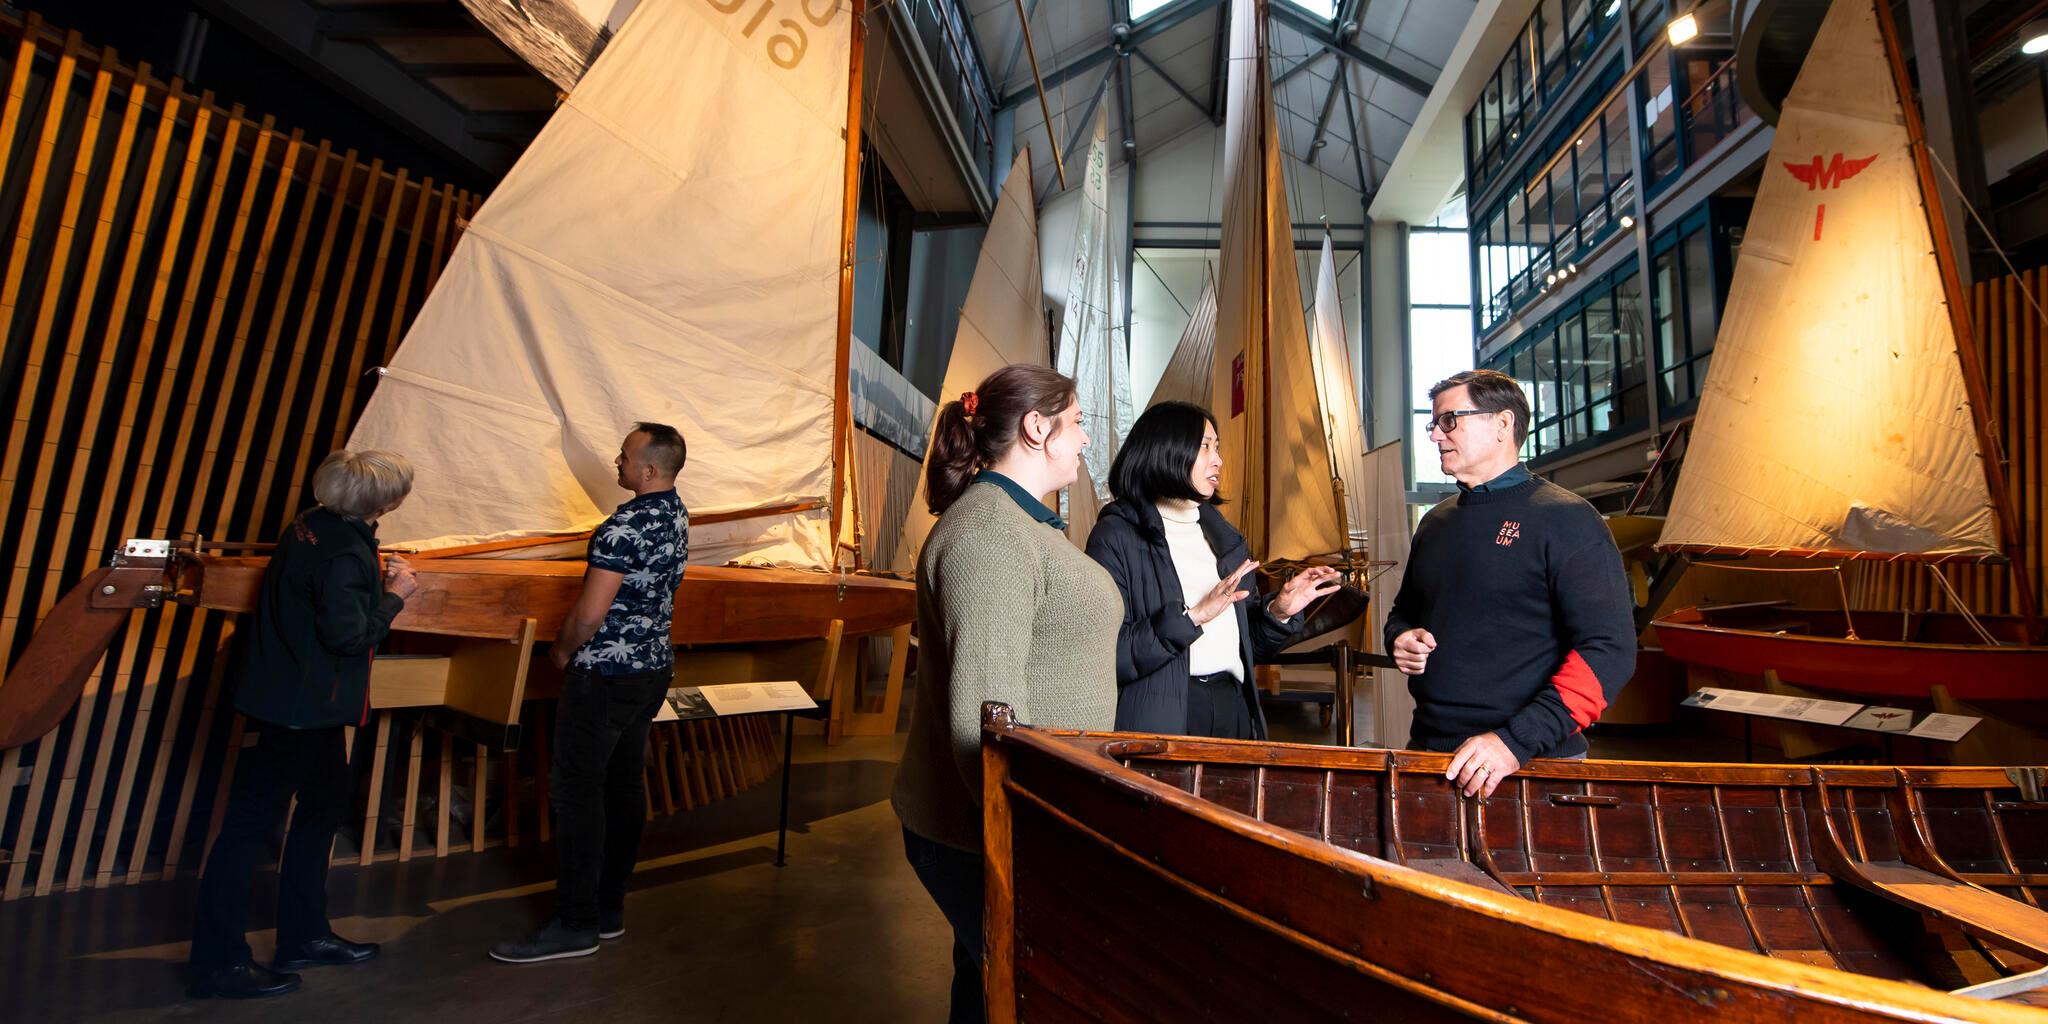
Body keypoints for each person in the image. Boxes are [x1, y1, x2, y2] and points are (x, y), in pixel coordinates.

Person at [891, 364, 1122, 1024]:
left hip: (1012, 820)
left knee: (991, 985)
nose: (1083, 440)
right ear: (1036, 428)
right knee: (1032, 990)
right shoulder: (991, 536)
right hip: (989, 830)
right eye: (1077, 424)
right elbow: (986, 723)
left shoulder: (1017, 525)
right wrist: (1032, 846)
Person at [189, 449, 419, 999]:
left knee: (323, 809)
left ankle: (304, 936)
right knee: (246, 833)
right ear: (385, 501)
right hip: (301, 708)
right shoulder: (342, 552)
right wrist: (395, 597)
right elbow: (348, 637)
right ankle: (219, 965)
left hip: (301, 703)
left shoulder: (312, 523)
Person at [491, 423, 690, 963]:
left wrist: (559, 653)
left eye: (625, 457)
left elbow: (589, 614)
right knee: (624, 786)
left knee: (577, 794)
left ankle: (575, 924)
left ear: (649, 469)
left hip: (603, 676)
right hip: (652, 670)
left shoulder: (623, 526)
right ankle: (607, 910)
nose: (616, 462)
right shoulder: (676, 513)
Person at [1385, 369, 1634, 799]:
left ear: (1502, 424)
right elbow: (1403, 612)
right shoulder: (1435, 523)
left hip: (1531, 762)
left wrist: (1514, 741)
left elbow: (1609, 651)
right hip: (1429, 750)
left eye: (1449, 421)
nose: (1435, 436)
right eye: (1434, 424)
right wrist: (1401, 637)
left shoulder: (1566, 519)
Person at [1085, 401, 1341, 739]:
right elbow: (1106, 653)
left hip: (1233, 709)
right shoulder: (1117, 536)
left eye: (1217, 447)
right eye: (1205, 446)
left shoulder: (1225, 540)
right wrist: (1193, 617)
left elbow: (1247, 646)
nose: (1218, 460)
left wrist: (1278, 612)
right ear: (1167, 450)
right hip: (1161, 717)